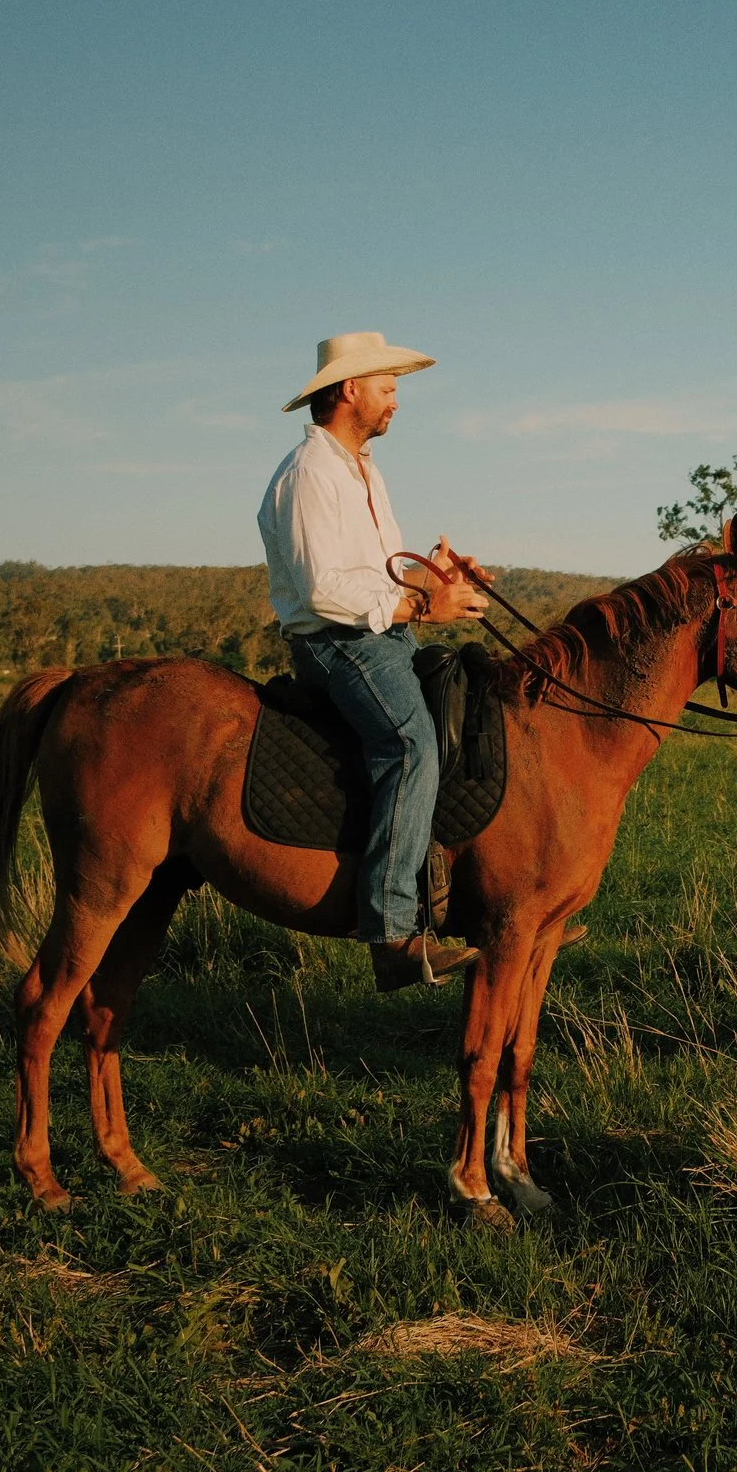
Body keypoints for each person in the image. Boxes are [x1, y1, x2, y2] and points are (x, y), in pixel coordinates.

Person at [259, 332, 490, 991]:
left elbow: (378, 573)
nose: (396, 401)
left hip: (382, 636)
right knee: (411, 743)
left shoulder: (364, 470)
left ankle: (458, 901)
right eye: (388, 388)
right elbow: (324, 590)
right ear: (349, 389)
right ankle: (390, 932)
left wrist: (436, 575)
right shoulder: (308, 475)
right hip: (335, 643)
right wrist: (424, 609)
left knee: (463, 715)